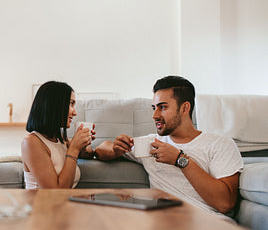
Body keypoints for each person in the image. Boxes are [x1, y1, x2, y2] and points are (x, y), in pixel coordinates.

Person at [95, 75, 243, 221]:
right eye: (154, 108)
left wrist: (180, 160)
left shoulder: (220, 144)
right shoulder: (150, 144)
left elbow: (225, 203)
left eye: (163, 107)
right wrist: (115, 149)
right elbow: (101, 149)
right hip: (166, 224)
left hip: (210, 223)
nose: (155, 115)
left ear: (185, 108)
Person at [21, 81, 95, 189]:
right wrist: (74, 148)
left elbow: (88, 154)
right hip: (43, 205)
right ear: (54, 105)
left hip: (64, 204)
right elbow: (56, 192)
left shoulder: (61, 140)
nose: (75, 113)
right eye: (70, 104)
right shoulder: (31, 142)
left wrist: (83, 144)